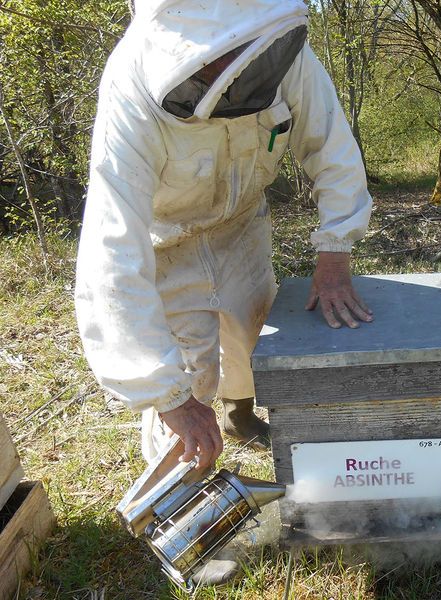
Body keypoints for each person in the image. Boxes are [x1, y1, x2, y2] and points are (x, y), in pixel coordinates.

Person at [75, 0, 373, 482]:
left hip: (242, 223)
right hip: (169, 239)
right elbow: (111, 255)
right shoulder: (130, 89)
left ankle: (238, 414)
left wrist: (336, 249)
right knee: (188, 371)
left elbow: (330, 143)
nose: (237, 73)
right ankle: (179, 485)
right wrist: (169, 396)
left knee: (251, 327)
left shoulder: (283, 49)